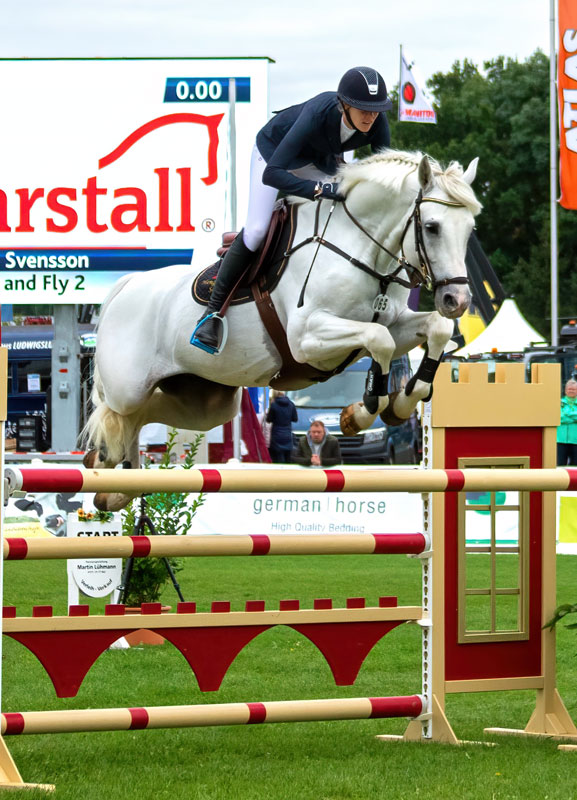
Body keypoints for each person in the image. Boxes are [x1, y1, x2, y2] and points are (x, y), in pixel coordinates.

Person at [191, 66, 393, 354]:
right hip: (273, 155)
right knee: (257, 230)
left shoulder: (377, 122)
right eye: (363, 110)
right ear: (344, 105)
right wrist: (320, 190)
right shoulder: (317, 114)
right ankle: (212, 314)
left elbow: (383, 175)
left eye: (375, 110)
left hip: (318, 162)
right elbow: (273, 173)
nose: (370, 117)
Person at [265, 391, 298, 463]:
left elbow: (269, 420)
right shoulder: (291, 404)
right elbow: (295, 419)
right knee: (288, 457)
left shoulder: (274, 405)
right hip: (287, 433)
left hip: (276, 433)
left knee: (278, 457)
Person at [557, 379, 577, 465]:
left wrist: (566, 413)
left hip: (576, 440)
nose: (571, 391)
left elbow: (563, 416)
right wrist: (574, 418)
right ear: (565, 390)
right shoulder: (558, 402)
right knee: (560, 465)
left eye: (574, 389)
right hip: (560, 439)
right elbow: (558, 418)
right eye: (569, 389)